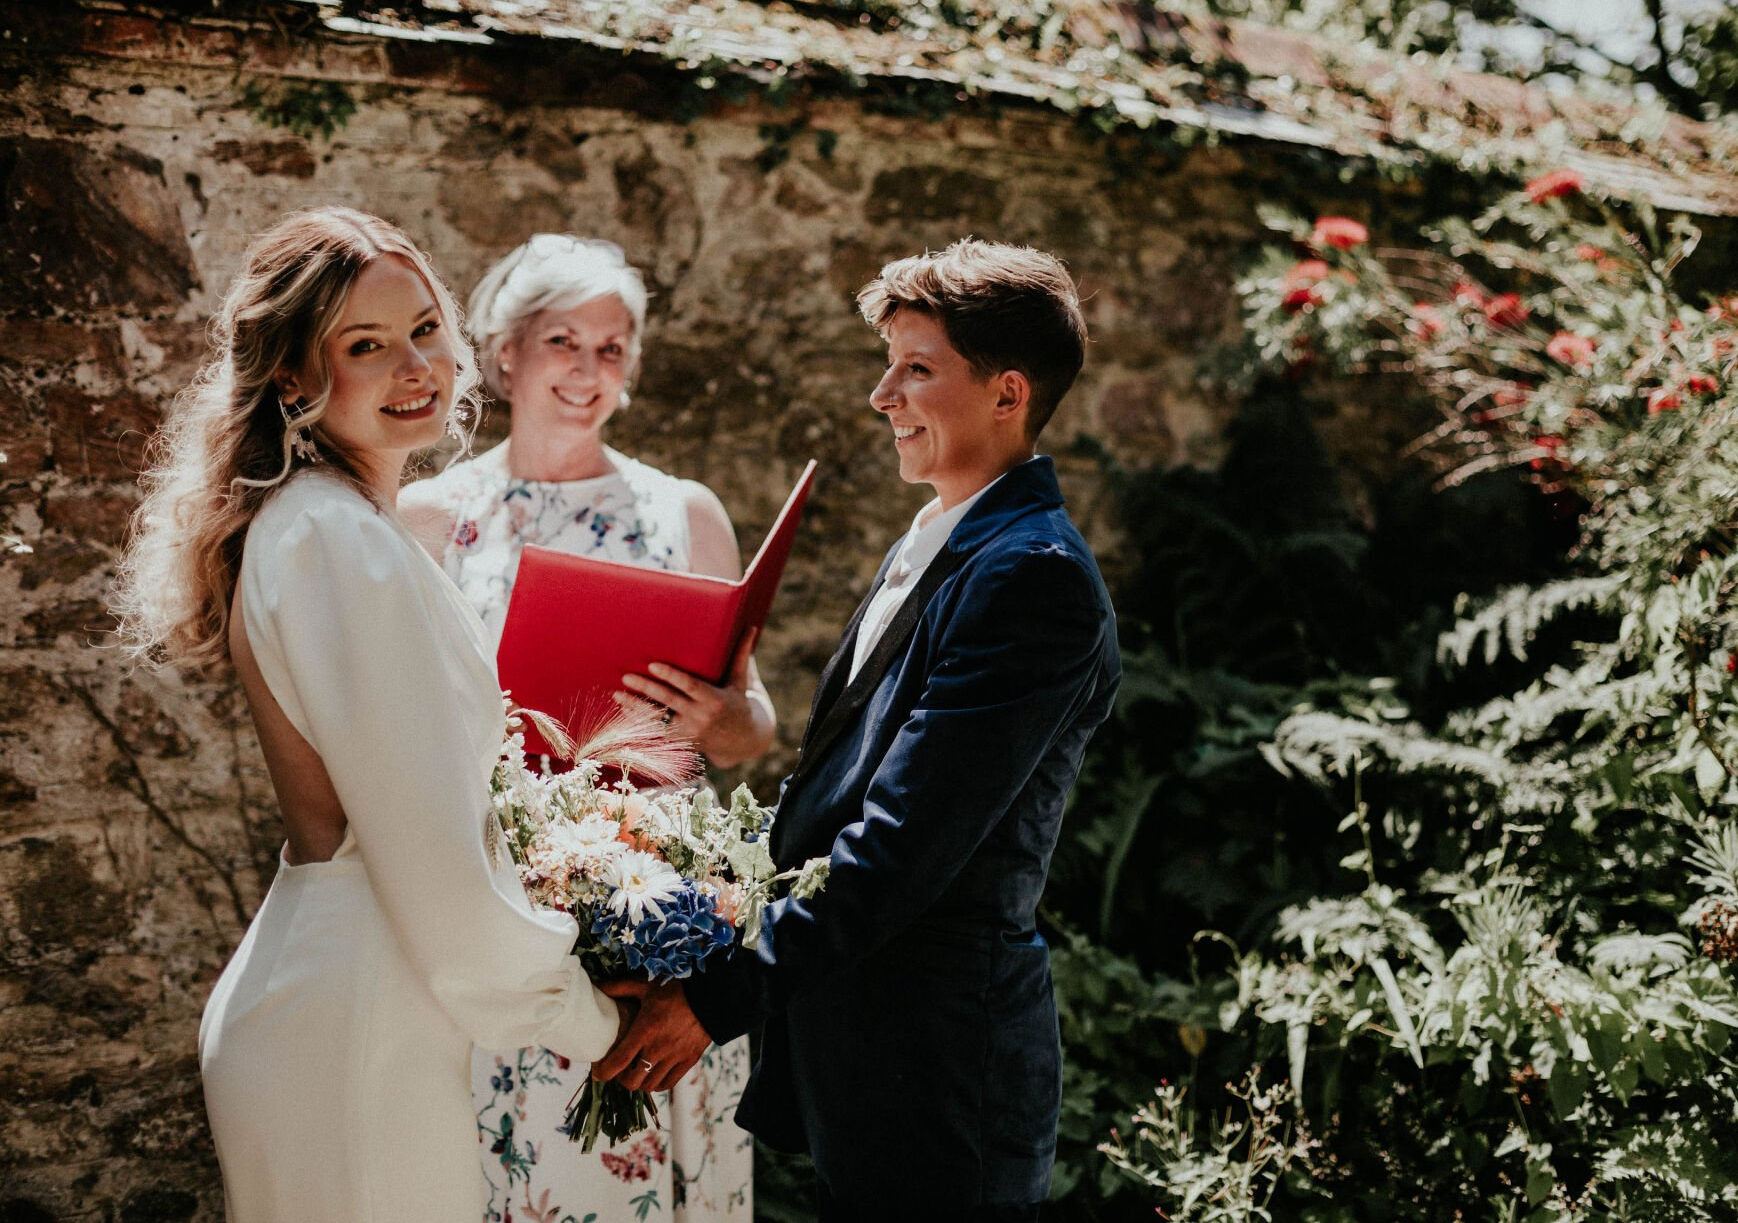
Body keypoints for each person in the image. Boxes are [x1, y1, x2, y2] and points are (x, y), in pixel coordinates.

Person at [114, 207, 655, 1222]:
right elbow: (439, 874)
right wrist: (589, 1014)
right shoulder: (336, 540)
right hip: (358, 1027)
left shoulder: (339, 523)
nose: (415, 365)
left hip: (360, 1004)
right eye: (366, 345)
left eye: (424, 329)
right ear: (291, 378)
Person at [597, 240, 1123, 1220]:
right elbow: (836, 791)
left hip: (939, 1066)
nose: (883, 394)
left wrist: (716, 998)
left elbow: (900, 844)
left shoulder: (1030, 575)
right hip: (862, 1052)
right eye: (888, 364)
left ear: (1008, 393)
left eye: (916, 368)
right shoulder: (939, 537)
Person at [399, 234, 772, 1221]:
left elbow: (753, 734)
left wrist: (723, 715)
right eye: (564, 339)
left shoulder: (682, 512)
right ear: (506, 351)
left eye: (612, 348)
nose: (588, 369)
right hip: (502, 916)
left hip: (662, 924)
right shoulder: (432, 519)